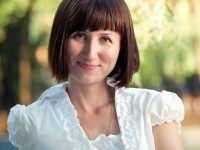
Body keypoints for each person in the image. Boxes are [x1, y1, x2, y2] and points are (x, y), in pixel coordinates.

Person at [7, 0, 184, 149]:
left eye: (105, 39)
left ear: (122, 47)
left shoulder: (154, 111)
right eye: (79, 36)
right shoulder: (34, 123)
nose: (91, 53)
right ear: (61, 40)